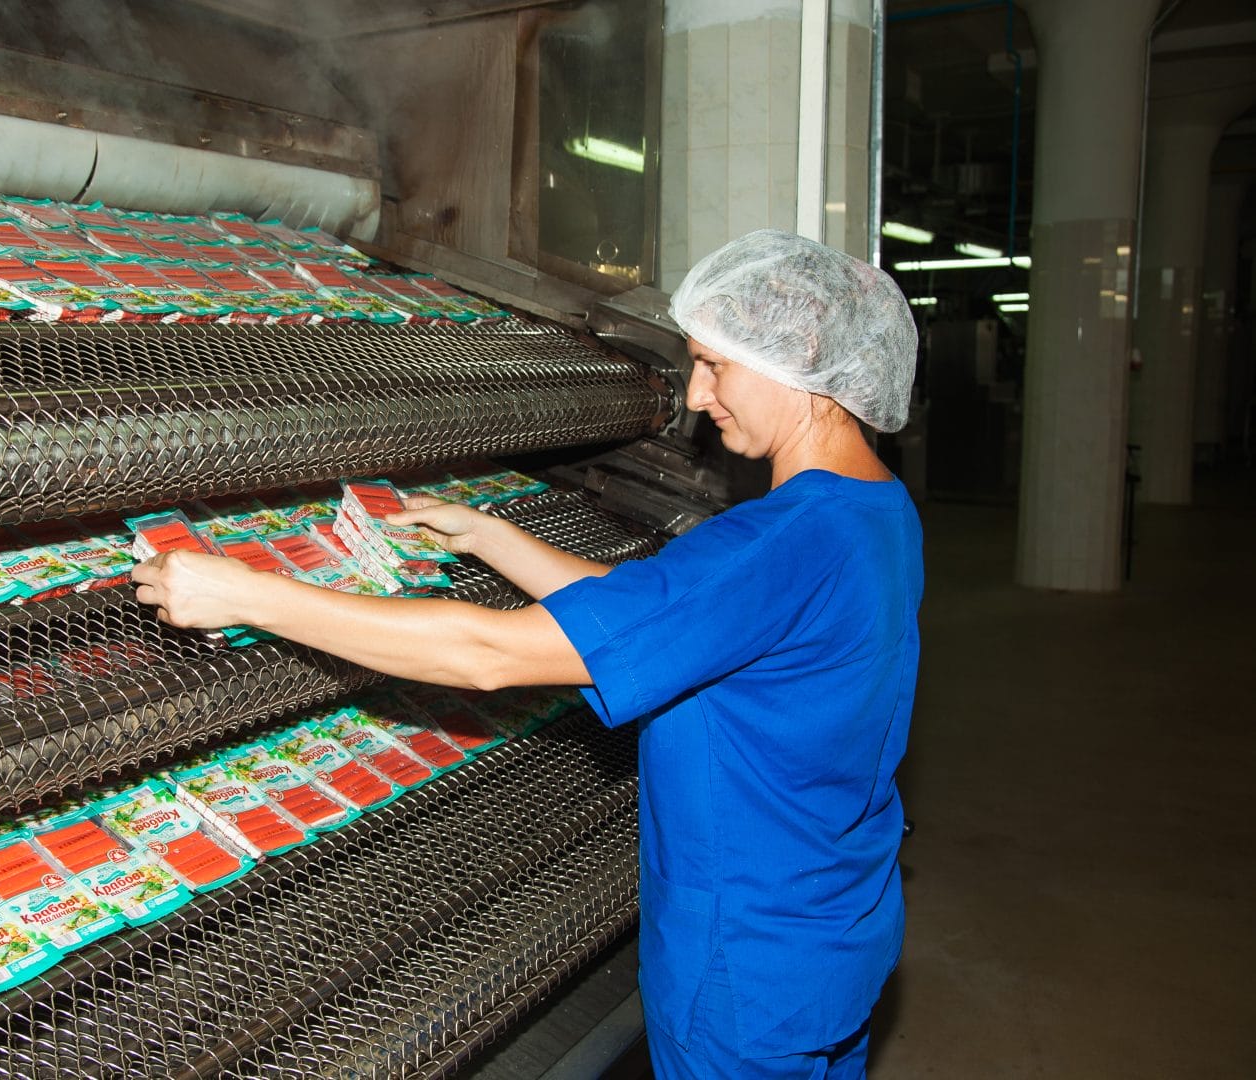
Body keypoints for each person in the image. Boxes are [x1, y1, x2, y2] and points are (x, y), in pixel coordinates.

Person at [130, 229, 922, 1079]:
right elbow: (668, 616)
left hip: (746, 960)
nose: (695, 394)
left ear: (801, 352)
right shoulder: (872, 512)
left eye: (715, 365)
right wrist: (497, 537)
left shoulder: (774, 542)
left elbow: (485, 655)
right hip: (832, 920)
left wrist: (247, 594)